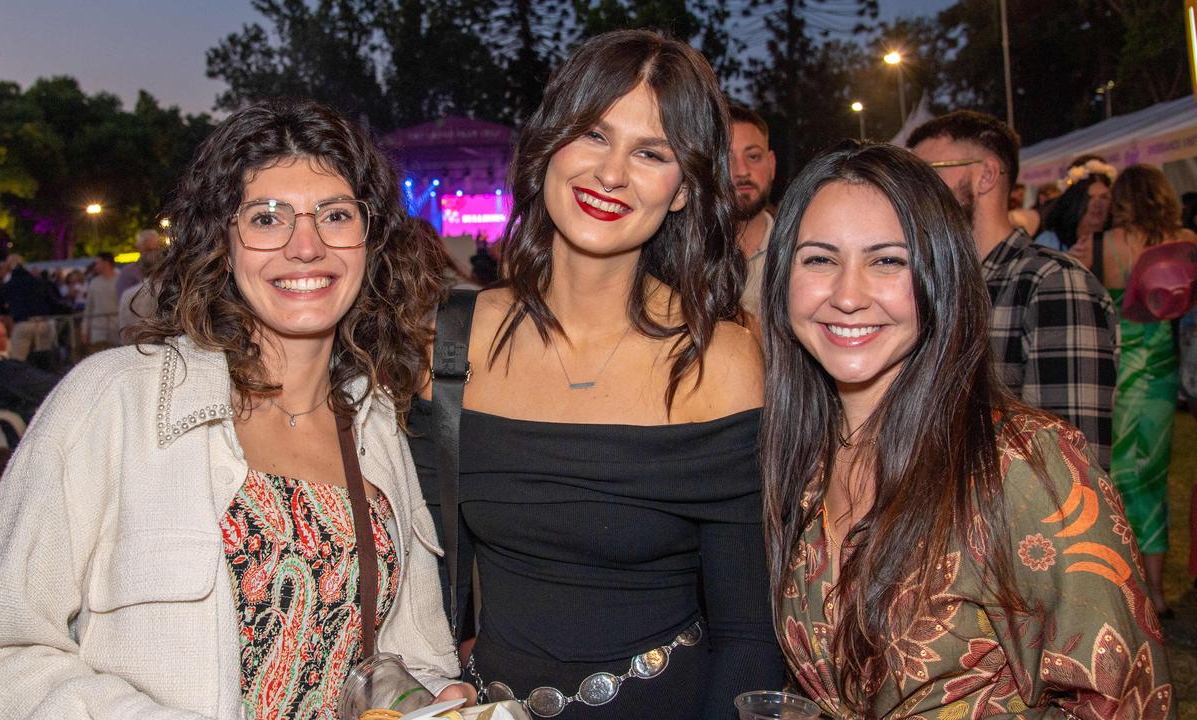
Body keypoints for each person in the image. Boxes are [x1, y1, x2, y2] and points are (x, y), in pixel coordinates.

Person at [0, 98, 470, 719]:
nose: (306, 246)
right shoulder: (114, 400)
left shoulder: (374, 420)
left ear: (370, 239)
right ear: (221, 241)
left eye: (336, 215)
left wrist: (425, 701)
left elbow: (409, 654)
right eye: (267, 219)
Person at [410, 30, 782, 719]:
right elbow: (428, 589)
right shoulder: (450, 340)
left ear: (681, 190)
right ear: (549, 147)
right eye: (592, 135)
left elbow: (750, 636)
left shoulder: (722, 361)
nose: (612, 174)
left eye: (651, 152)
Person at [761, 141, 1171, 718]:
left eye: (887, 261)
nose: (847, 296)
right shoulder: (798, 459)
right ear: (782, 280)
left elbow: (1126, 697)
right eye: (820, 259)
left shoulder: (1026, 464)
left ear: (940, 276)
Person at [910, 110, 1117, 472]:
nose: (912, 191)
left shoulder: (1052, 283)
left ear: (986, 175)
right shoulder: (937, 284)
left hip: (1015, 522)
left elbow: (1071, 469)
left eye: (928, 173)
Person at [1068, 164, 1197, 618]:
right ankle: (1157, 592)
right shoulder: (1185, 243)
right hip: (1161, 377)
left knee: (1116, 480)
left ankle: (1126, 591)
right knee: (1153, 482)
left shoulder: (1101, 247)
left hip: (1116, 377)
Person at [727, 103, 776, 323]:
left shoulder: (801, 253)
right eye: (726, 159)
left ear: (771, 164)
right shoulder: (681, 260)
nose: (742, 170)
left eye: (753, 156)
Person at [1033, 158, 1115, 251]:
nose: (1097, 204)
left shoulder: (1117, 243)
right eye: (1089, 197)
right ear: (1075, 202)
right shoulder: (1049, 242)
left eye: (1104, 197)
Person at [0, 255, 59, 361]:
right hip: (43, 322)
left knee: (18, 360)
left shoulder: (9, 285)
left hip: (23, 323)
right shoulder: (38, 282)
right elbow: (52, 301)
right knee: (44, 360)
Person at [81, 252, 119, 347]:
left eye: (97, 263)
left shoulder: (120, 280)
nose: (95, 266)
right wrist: (85, 331)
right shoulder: (94, 283)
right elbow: (89, 307)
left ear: (106, 263)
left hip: (117, 328)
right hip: (98, 330)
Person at [115, 229, 162, 298]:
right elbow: (124, 301)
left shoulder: (166, 269)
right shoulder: (128, 273)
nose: (153, 254)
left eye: (156, 249)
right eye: (148, 250)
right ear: (139, 248)